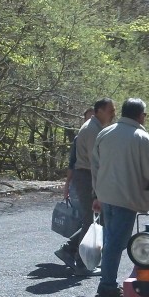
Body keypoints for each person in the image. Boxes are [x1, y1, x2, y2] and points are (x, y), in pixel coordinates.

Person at [91, 98, 149, 297]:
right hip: (126, 198)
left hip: (106, 196)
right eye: (145, 114)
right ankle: (107, 285)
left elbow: (95, 167)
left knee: (112, 239)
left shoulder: (105, 133)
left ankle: (109, 281)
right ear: (140, 115)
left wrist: (97, 194)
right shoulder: (143, 138)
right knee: (115, 243)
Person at [55, 99, 116, 275]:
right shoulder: (92, 130)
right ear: (99, 111)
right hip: (87, 176)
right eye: (110, 110)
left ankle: (70, 250)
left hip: (89, 176)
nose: (113, 114)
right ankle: (81, 263)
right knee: (91, 219)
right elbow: (95, 162)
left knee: (97, 219)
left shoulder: (96, 127)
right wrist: (99, 189)